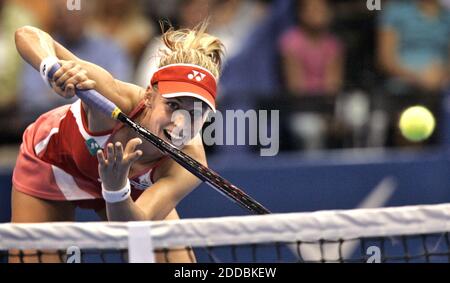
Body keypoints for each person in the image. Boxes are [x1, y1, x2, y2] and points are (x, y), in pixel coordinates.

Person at [11, 23, 224, 263]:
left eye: (195, 113)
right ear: (149, 96)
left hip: (123, 190)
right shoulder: (110, 94)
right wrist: (52, 69)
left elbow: (133, 232)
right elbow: (27, 34)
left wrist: (115, 189)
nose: (180, 123)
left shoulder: (190, 162)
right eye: (172, 105)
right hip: (54, 163)